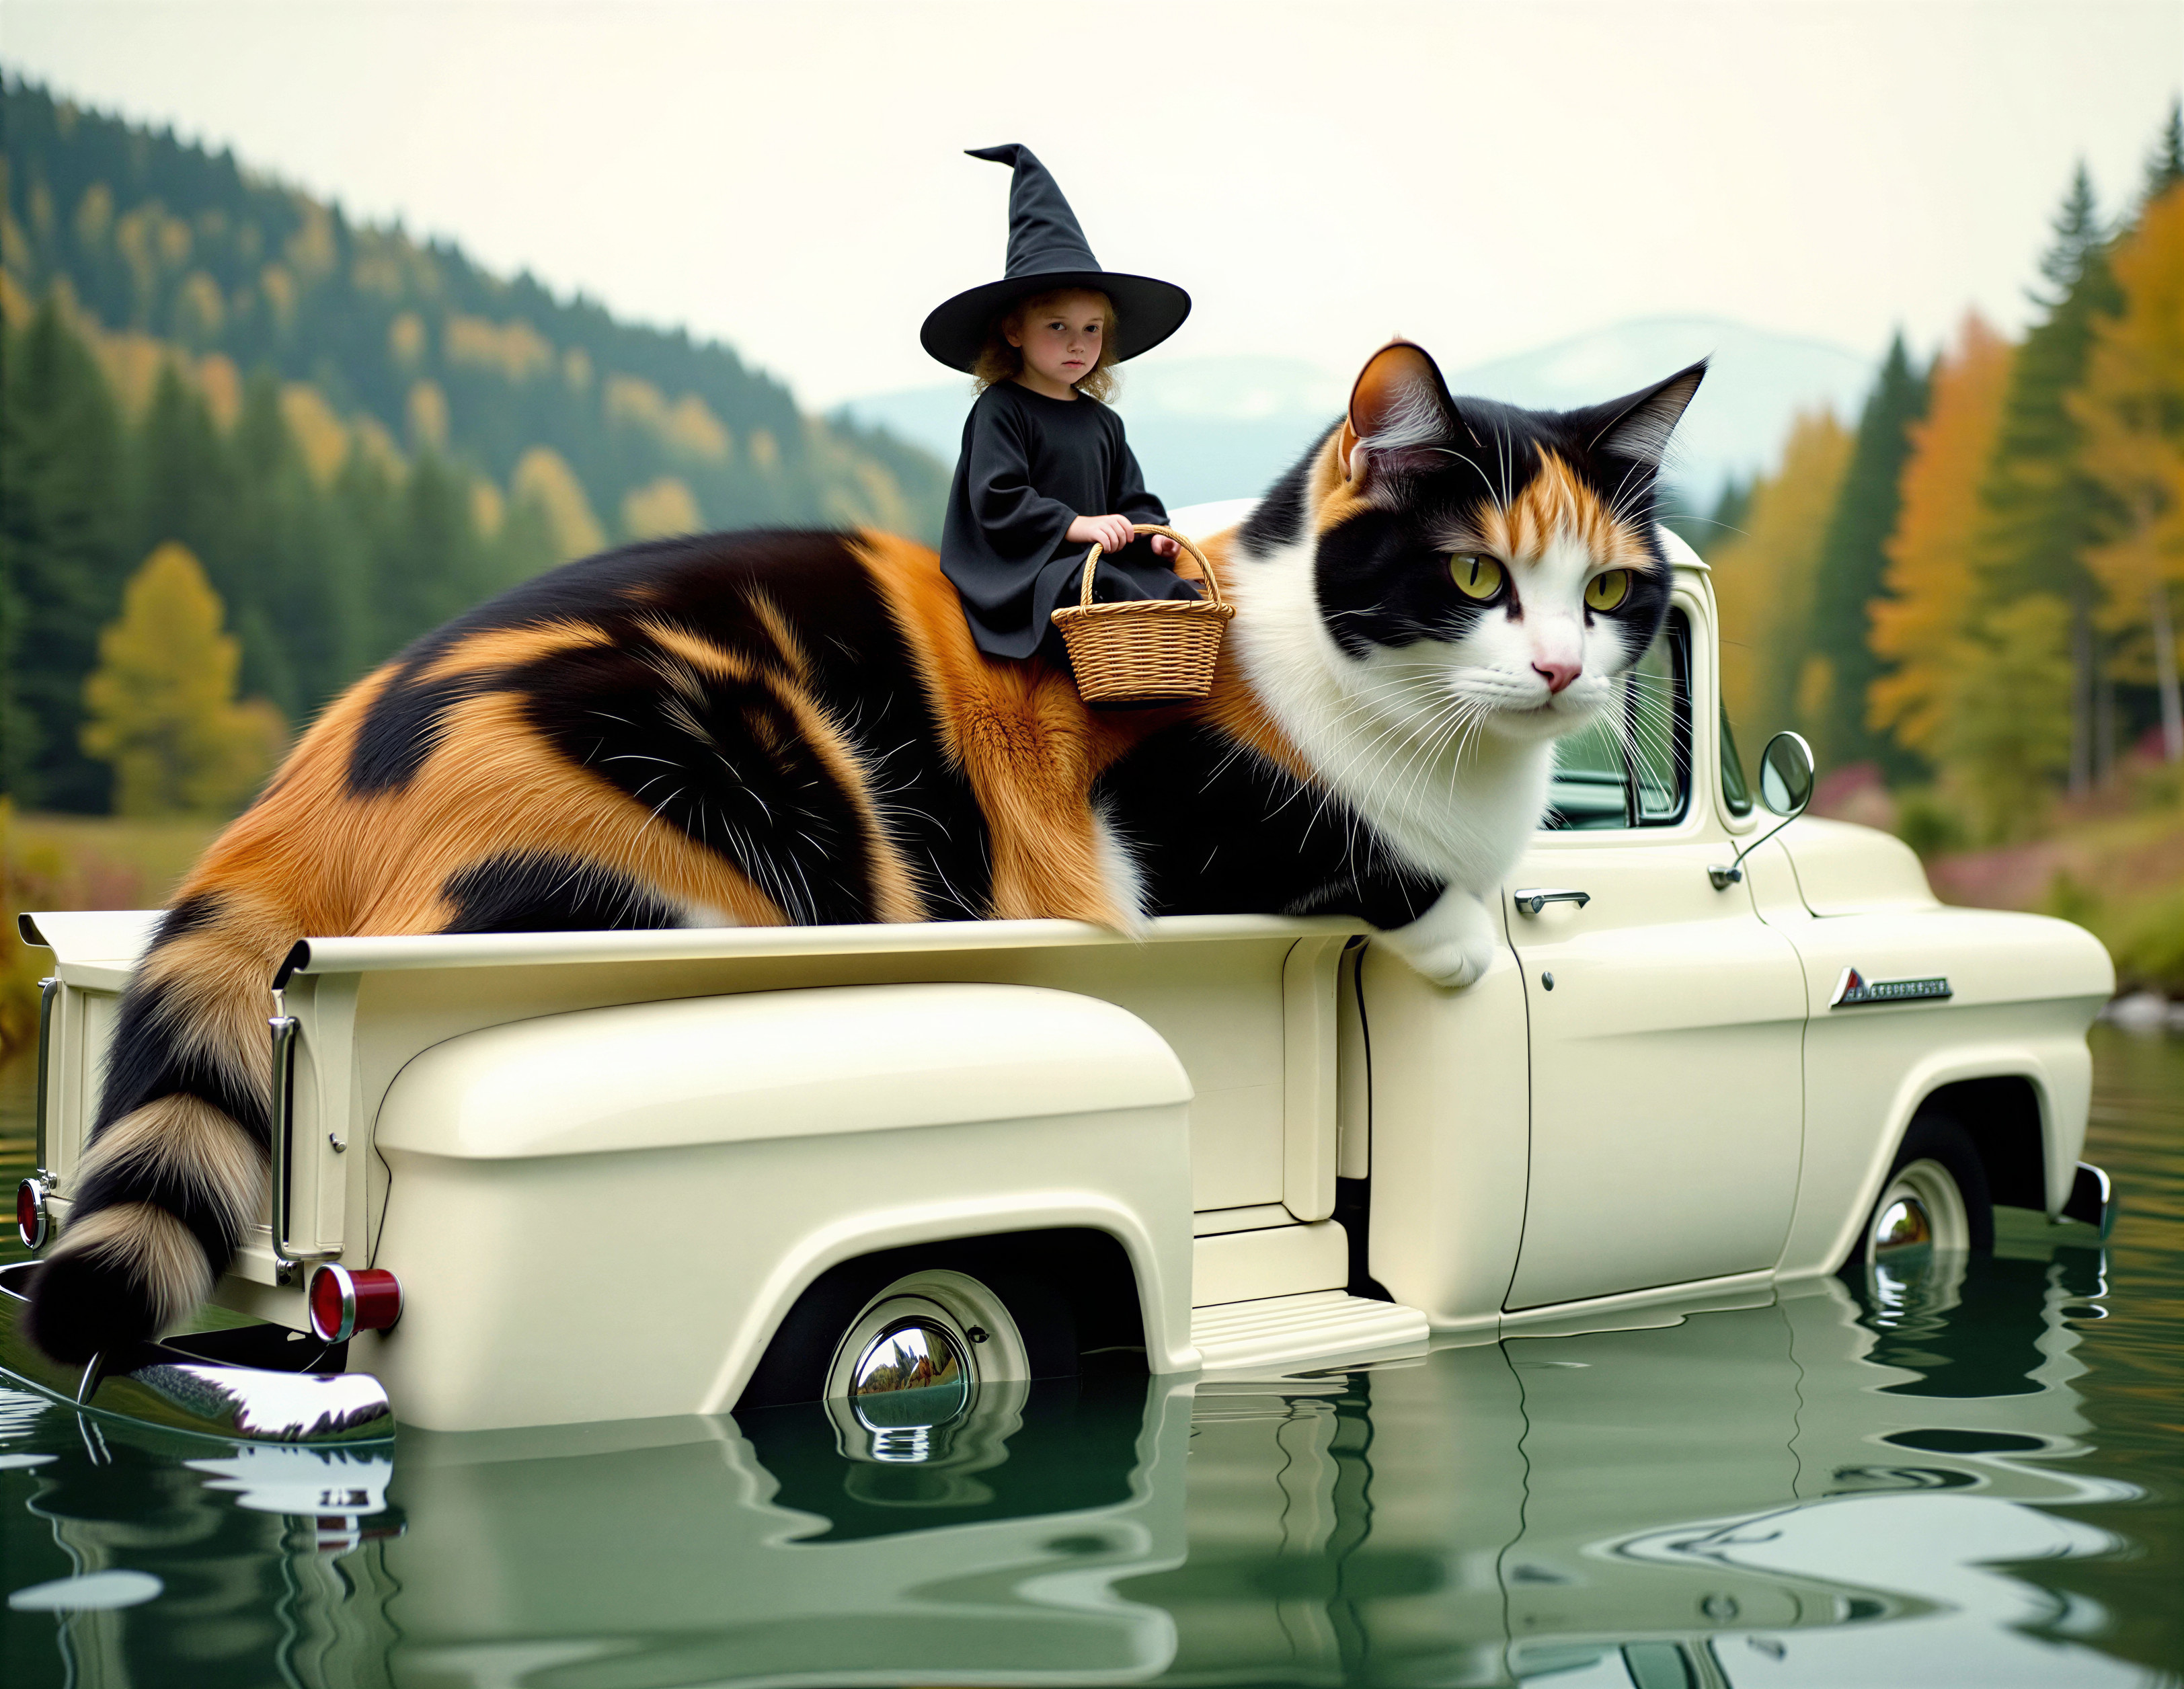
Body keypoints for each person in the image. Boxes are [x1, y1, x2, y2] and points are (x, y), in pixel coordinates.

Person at [923, 145, 1200, 663]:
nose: (1078, 343)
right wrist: (1076, 525)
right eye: (1058, 326)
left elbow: (1131, 499)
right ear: (1013, 331)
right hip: (1028, 572)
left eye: (1092, 329)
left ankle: (1153, 677)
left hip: (1097, 563)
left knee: (1178, 594)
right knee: (1092, 588)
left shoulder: (1103, 422)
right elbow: (998, 498)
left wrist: (1153, 537)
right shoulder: (1002, 409)